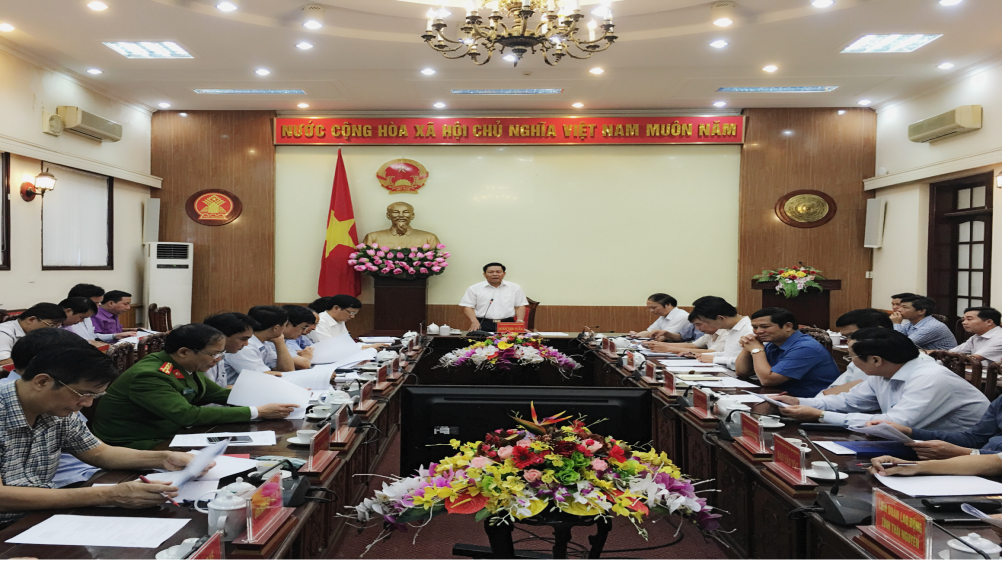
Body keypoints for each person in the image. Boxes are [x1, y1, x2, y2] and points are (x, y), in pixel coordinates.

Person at [0, 346, 207, 525]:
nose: (87, 404)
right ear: (42, 382)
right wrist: (107, 494)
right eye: (83, 394)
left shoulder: (57, 411)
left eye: (95, 396)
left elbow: (99, 453)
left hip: (36, 515)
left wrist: (163, 458)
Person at [92, 324, 299, 449]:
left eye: (221, 354)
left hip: (170, 434)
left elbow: (218, 394)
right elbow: (188, 415)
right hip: (137, 443)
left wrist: (276, 396)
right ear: (184, 352)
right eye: (214, 354)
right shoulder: (150, 375)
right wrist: (257, 411)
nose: (218, 359)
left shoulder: (185, 366)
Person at [773, 328, 988, 429]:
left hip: (961, 451)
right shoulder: (886, 371)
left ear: (876, 360)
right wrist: (799, 401)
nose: (851, 362)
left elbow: (893, 424)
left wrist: (821, 415)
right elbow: (849, 401)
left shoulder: (930, 378)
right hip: (919, 442)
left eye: (852, 357)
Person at [3, 328, 100, 488]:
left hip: (74, 478)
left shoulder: (55, 398)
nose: (87, 402)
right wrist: (104, 495)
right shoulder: (53, 396)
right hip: (61, 484)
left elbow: (96, 450)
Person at [734, 307, 840, 398]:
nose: (758, 331)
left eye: (765, 327)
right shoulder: (773, 343)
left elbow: (768, 380)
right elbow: (742, 372)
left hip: (810, 403)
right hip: (783, 397)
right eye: (755, 327)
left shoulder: (806, 347)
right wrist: (748, 345)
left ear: (788, 326)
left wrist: (756, 350)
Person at [643, 296, 751, 368]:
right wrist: (699, 354)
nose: (711, 326)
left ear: (721, 318)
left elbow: (748, 362)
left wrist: (714, 359)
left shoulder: (749, 330)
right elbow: (727, 354)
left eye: (707, 322)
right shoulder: (731, 328)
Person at [818, 308, 895, 397]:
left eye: (851, 335)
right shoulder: (859, 358)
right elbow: (834, 390)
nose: (848, 341)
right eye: (845, 337)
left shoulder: (897, 362)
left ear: (878, 331)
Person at [222, 306, 295, 384]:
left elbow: (287, 370)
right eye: (285, 325)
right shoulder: (244, 346)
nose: (285, 329)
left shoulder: (263, 342)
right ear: (276, 328)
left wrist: (280, 343)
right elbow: (261, 377)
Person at [460, 263, 528, 332]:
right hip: (483, 323)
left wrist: (519, 321)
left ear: (504, 274)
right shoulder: (474, 288)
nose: (495, 274)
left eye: (498, 272)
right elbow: (468, 307)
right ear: (484, 274)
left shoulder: (515, 288)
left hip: (508, 323)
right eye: (490, 272)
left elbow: (520, 306)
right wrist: (474, 321)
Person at [201, 313, 259, 387]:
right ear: (221, 336)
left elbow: (219, 388)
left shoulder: (221, 355)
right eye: (243, 339)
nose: (246, 344)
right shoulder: (201, 360)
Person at [0, 303, 67, 364]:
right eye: (51, 325)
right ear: (31, 319)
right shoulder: (4, 333)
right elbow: (4, 361)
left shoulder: (36, 334)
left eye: (57, 326)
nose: (53, 329)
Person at [891, 295, 957, 350]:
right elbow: (899, 337)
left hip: (942, 359)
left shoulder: (932, 326)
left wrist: (896, 323)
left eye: (904, 307)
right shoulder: (911, 323)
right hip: (924, 357)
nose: (899, 309)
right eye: (900, 306)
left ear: (921, 311)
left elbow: (901, 345)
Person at [282, 305, 316, 369]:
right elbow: (303, 364)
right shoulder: (273, 340)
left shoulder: (284, 340)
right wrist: (305, 357)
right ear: (287, 324)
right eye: (303, 328)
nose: (303, 332)